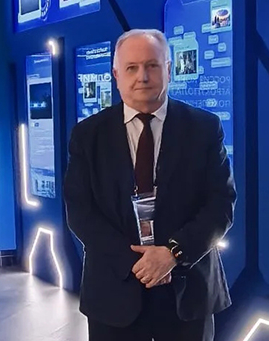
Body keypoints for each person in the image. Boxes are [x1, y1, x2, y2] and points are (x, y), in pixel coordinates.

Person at [64, 29, 236, 341]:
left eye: (152, 66)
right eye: (131, 68)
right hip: (114, 290)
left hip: (188, 290)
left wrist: (172, 254)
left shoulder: (204, 128)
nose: (142, 76)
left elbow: (221, 205)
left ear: (168, 69)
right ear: (116, 75)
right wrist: (139, 263)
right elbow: (80, 212)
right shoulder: (88, 135)